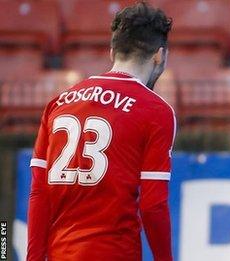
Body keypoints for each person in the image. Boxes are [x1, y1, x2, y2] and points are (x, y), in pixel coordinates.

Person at [27, 2, 175, 260]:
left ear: (111, 52)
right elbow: (153, 206)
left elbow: (39, 193)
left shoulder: (57, 104)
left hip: (60, 253)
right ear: (159, 56)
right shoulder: (156, 111)